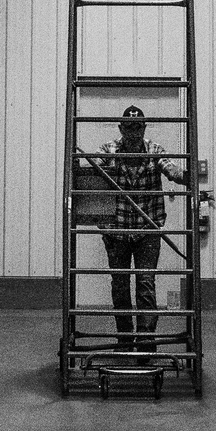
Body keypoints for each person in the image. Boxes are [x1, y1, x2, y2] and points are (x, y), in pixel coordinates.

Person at [80, 105, 190, 349]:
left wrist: (186, 175)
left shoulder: (154, 150)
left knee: (145, 283)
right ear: (121, 128)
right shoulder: (108, 150)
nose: (133, 132)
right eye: (128, 127)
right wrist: (84, 170)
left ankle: (146, 340)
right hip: (116, 230)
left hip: (147, 229)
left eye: (137, 127)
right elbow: (89, 170)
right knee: (120, 285)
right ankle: (125, 338)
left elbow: (170, 169)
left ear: (144, 128)